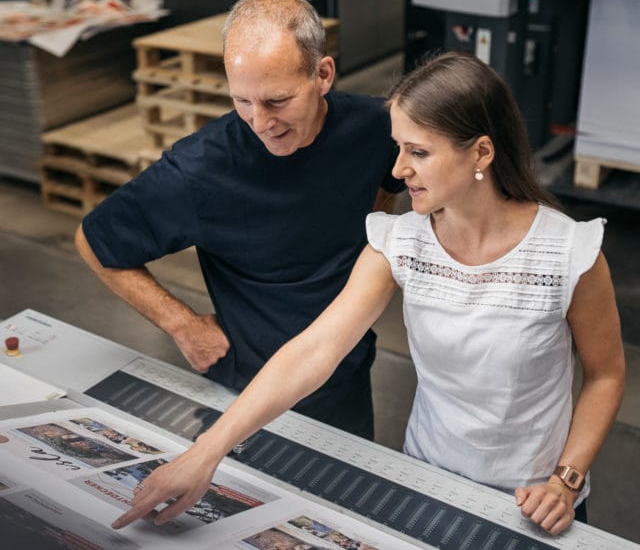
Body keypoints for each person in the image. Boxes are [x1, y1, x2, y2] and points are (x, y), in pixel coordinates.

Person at [110, 50, 625, 536]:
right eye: (398, 147)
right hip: (429, 484)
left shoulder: (569, 253)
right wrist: (207, 452)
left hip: (538, 500)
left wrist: (566, 479)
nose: (399, 169)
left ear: (481, 152)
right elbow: (314, 350)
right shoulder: (400, 241)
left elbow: (605, 375)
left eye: (418, 152)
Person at [75, 0, 405, 440]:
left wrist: (372, 244)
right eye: (242, 102)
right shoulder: (200, 169)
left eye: (277, 100)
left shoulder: (375, 127)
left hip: (345, 378)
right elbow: (93, 241)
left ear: (323, 74)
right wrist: (183, 325)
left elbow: (391, 182)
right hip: (247, 395)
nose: (260, 122)